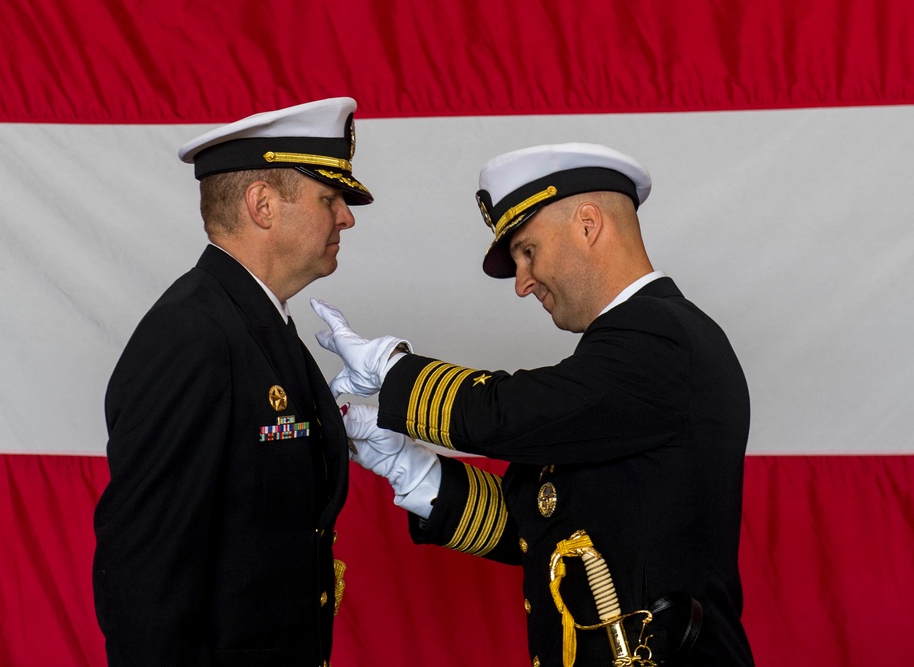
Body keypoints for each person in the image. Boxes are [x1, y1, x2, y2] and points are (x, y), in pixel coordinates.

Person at [311, 143, 755, 666]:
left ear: (588, 224)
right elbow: (539, 520)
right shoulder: (632, 347)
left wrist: (392, 368)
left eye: (527, 251)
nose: (522, 283)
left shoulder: (661, 337)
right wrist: (408, 467)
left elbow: (511, 413)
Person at [92, 97, 373, 667]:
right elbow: (144, 582)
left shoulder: (257, 323)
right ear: (262, 205)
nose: (346, 216)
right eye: (330, 198)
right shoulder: (192, 338)